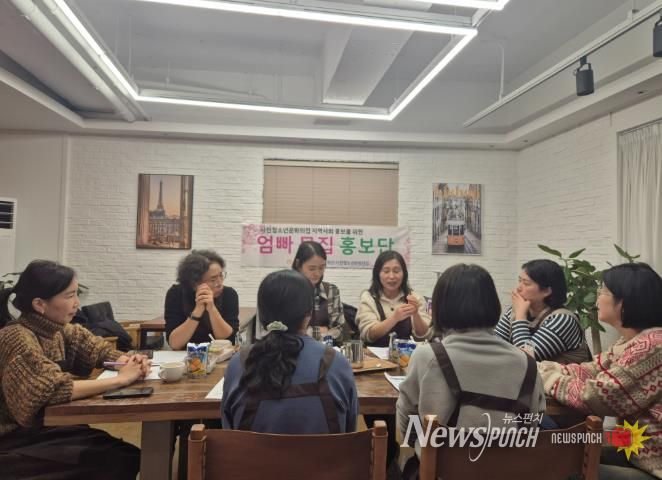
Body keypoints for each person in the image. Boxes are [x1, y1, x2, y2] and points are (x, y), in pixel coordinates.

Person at [0, 260, 149, 480]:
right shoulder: (16, 337)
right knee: (117, 460)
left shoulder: (59, 330)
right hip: (15, 440)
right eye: (69, 296)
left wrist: (130, 361)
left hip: (49, 429)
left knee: (126, 455)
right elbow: (48, 391)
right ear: (40, 304)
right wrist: (121, 380)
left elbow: (97, 350)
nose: (77, 303)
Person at [397, 264, 546, 478]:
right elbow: (533, 425)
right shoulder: (527, 363)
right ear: (492, 305)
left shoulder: (427, 357)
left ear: (440, 307)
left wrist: (423, 448)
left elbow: (407, 424)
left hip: (441, 473)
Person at [539, 263, 662, 479]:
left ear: (623, 302)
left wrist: (548, 377)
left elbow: (596, 397)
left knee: (560, 469)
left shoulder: (653, 347)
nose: (597, 297)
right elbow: (593, 369)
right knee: (562, 453)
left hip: (653, 463)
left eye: (603, 291)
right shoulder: (632, 341)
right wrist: (550, 368)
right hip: (633, 447)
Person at [222, 269, 357, 433]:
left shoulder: (239, 363)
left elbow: (229, 428)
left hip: (253, 451)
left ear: (262, 315)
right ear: (309, 314)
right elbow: (350, 428)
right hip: (325, 451)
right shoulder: (336, 362)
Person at [495, 259, 590, 363]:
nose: (518, 288)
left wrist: (520, 317)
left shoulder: (563, 319)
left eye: (526, 283)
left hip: (560, 374)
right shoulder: (517, 310)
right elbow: (494, 345)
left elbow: (525, 359)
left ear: (546, 291)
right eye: (519, 281)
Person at [164, 249, 239, 350]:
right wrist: (197, 311)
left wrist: (212, 309)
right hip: (185, 354)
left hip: (220, 354)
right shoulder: (176, 294)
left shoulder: (229, 294)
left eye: (221, 275)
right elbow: (174, 344)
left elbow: (229, 340)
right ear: (195, 283)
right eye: (213, 279)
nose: (219, 283)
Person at [356, 250, 431, 347]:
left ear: (404, 274)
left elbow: (424, 336)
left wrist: (416, 314)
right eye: (386, 271)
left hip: (406, 354)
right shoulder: (368, 298)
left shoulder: (414, 298)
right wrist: (394, 318)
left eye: (396, 271)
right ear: (377, 274)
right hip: (374, 354)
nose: (391, 276)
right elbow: (368, 335)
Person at [292, 240, 346, 343]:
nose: (317, 273)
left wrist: (307, 331)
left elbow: (339, 331)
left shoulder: (331, 291)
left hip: (324, 349)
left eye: (321, 268)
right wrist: (322, 330)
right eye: (312, 269)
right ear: (298, 265)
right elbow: (286, 331)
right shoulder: (287, 290)